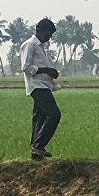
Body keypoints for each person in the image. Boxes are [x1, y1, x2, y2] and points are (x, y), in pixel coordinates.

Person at [20, 18, 61, 160]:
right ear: (39, 31)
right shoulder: (30, 45)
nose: (48, 38)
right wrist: (47, 70)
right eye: (47, 35)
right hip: (37, 86)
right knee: (54, 114)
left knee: (39, 118)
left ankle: (35, 154)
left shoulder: (39, 46)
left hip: (43, 85)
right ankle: (38, 146)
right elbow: (26, 67)